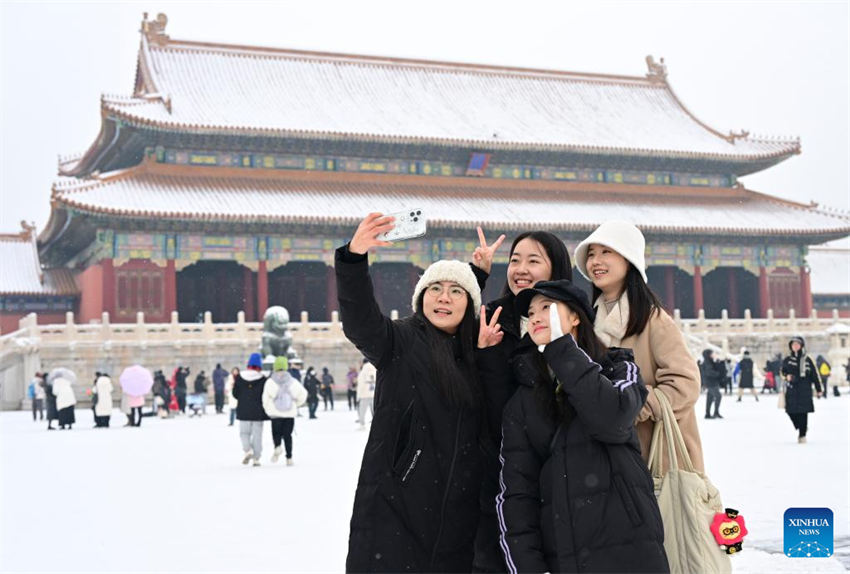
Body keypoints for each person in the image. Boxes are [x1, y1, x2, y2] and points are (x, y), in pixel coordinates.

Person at [482, 279, 668, 573]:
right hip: (566, 553)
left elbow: (613, 421)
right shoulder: (523, 398)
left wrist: (561, 348)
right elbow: (517, 492)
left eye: (547, 307)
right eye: (530, 313)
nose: (536, 317)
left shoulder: (620, 368)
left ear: (576, 317)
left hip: (631, 548)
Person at [337, 213, 487, 572]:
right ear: (421, 298)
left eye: (455, 292)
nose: (443, 298)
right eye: (434, 289)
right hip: (397, 505)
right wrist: (354, 258)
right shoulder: (398, 341)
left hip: (459, 516)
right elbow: (360, 322)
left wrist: (476, 276)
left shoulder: (478, 352)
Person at [473, 229, 571, 571]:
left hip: (561, 471)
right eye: (515, 260)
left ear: (556, 269)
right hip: (499, 471)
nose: (520, 269)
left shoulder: (574, 324)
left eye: (533, 261)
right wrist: (485, 353)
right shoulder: (490, 320)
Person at [574, 220, 704, 471]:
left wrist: (631, 406)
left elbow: (686, 384)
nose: (595, 261)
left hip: (657, 458)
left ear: (628, 259)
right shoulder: (588, 321)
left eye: (606, 252)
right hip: (608, 457)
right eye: (591, 254)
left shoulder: (654, 320)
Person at [262, 356, 307, 465]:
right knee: (288, 436)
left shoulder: (270, 382)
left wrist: (268, 409)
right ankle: (289, 457)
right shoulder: (293, 381)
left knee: (276, 433)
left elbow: (265, 398)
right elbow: (303, 394)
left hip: (275, 414)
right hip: (289, 413)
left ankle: (277, 447)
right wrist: (296, 404)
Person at [782, 336, 822, 443]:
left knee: (803, 412)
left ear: (801, 346)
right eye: (793, 344)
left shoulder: (808, 360)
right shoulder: (787, 359)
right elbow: (782, 372)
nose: (795, 346)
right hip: (792, 390)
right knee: (790, 411)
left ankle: (802, 435)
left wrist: (819, 389)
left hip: (805, 389)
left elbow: (815, 375)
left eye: (797, 344)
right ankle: (800, 426)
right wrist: (787, 377)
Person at [232, 353, 269, 466]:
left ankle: (247, 450)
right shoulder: (263, 379)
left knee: (244, 433)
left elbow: (235, 394)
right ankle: (256, 458)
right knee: (257, 435)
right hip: (258, 411)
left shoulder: (240, 377)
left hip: (243, 410)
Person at [700, 349, 725, 419]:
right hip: (711, 383)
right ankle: (716, 412)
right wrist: (718, 374)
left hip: (711, 382)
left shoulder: (709, 362)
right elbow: (709, 372)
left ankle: (707, 414)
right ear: (708, 355)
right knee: (718, 396)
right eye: (712, 354)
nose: (713, 355)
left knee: (710, 398)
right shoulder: (707, 362)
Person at [356, 358, 376, 430]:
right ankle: (376, 426)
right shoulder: (374, 370)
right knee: (374, 412)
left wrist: (358, 396)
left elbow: (361, 385)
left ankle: (362, 425)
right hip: (373, 394)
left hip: (364, 394)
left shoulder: (363, 372)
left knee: (362, 411)